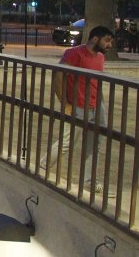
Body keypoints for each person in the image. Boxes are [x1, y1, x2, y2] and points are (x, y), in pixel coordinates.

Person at [42, 25, 115, 194]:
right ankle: (43, 166)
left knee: (94, 144)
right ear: (95, 39)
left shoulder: (99, 58)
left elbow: (96, 82)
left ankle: (88, 180)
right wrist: (65, 102)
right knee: (67, 142)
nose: (109, 45)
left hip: (95, 106)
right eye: (107, 40)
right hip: (77, 105)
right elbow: (59, 75)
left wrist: (100, 104)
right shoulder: (75, 54)